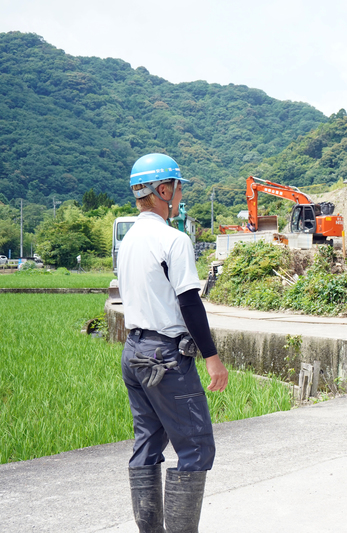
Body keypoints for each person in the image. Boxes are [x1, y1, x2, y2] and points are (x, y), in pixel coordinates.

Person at [119, 153, 229, 533]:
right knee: (197, 447)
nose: (181, 196)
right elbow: (189, 302)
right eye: (179, 188)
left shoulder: (129, 239)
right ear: (163, 190)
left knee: (148, 444)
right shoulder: (173, 239)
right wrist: (212, 358)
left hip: (133, 352)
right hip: (164, 356)